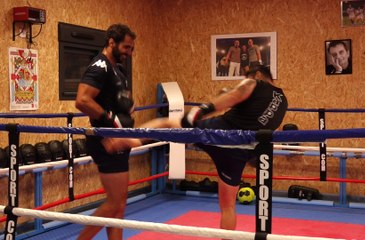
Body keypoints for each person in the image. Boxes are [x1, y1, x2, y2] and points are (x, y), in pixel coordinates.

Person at [102, 65, 288, 232]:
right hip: (240, 151)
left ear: (257, 74)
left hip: (218, 133)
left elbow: (237, 94)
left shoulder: (254, 83)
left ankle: (132, 139)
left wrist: (202, 110)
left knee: (169, 122)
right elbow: (264, 131)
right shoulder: (283, 102)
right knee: (228, 207)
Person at [75, 23, 136, 240]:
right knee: (114, 204)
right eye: (126, 48)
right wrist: (110, 120)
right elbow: (82, 100)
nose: (129, 53)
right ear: (112, 42)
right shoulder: (99, 66)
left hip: (119, 140)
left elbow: (115, 102)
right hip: (108, 141)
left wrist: (126, 108)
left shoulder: (116, 70)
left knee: (119, 207)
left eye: (131, 49)